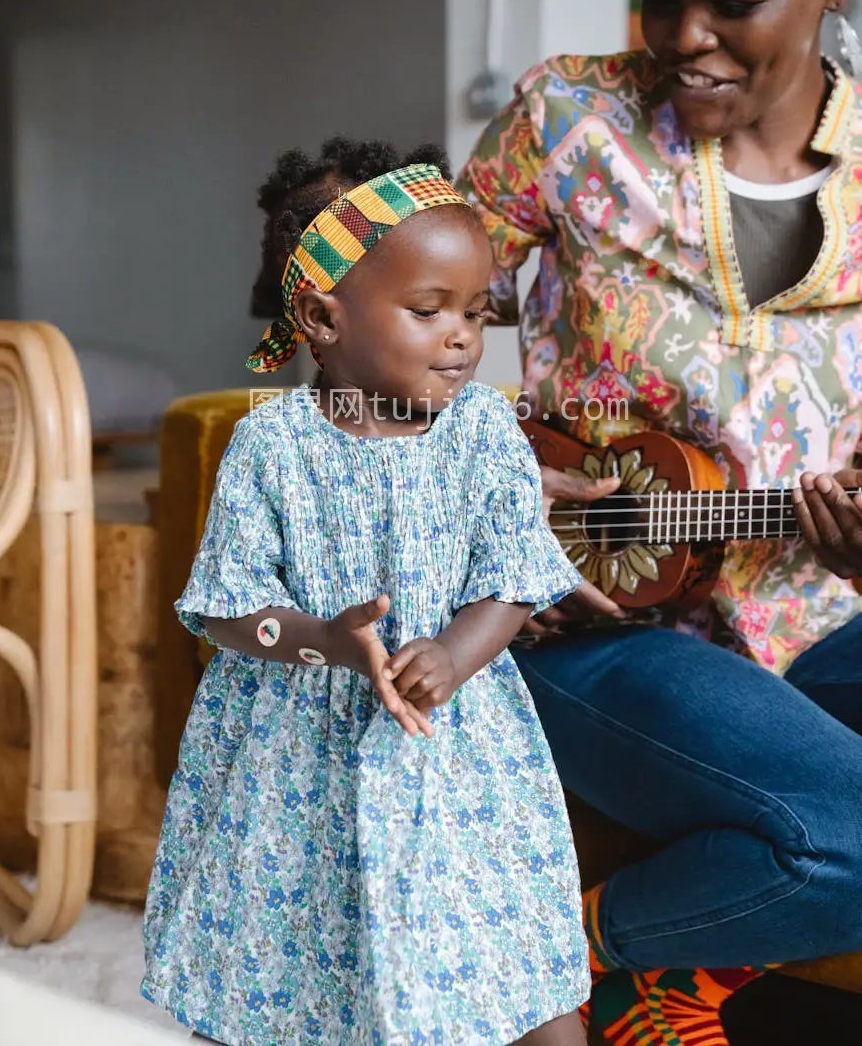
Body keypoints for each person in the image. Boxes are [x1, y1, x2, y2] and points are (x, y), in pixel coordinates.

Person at [456, 0, 862, 1043]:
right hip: (589, 622)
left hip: (809, 612)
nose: (681, 40)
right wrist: (466, 457)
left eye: (729, 2)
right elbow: (377, 322)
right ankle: (587, 951)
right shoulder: (566, 124)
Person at [141, 147, 615, 1045]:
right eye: (428, 310)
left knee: (515, 955)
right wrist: (322, 638)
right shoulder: (270, 445)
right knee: (284, 958)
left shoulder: (487, 432)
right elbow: (228, 606)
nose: (462, 338)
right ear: (323, 319)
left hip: (457, 743)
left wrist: (451, 654)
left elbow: (515, 578)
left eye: (476, 314)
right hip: (295, 751)